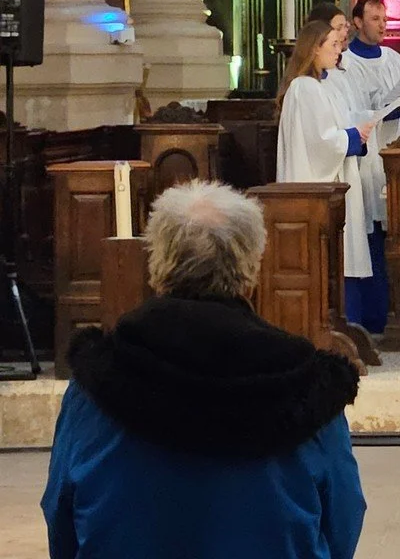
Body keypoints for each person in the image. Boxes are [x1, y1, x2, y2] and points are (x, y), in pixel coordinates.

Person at [43, 180, 365, 559]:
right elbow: (342, 522)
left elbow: (61, 517)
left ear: (157, 264)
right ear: (250, 269)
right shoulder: (307, 386)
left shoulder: (97, 381)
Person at [338, 0, 400, 333]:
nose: (382, 24)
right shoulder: (345, 64)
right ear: (357, 22)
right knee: (371, 230)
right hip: (367, 159)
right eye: (374, 18)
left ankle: (399, 309)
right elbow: (353, 111)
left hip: (396, 155)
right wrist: (386, 110)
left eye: (384, 18)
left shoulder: (395, 59)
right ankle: (373, 315)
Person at [277, 19, 374, 290]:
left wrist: (356, 134)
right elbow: (320, 142)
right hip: (319, 192)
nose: (338, 51)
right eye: (333, 44)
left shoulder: (317, 87)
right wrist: (353, 137)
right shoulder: (304, 88)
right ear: (314, 49)